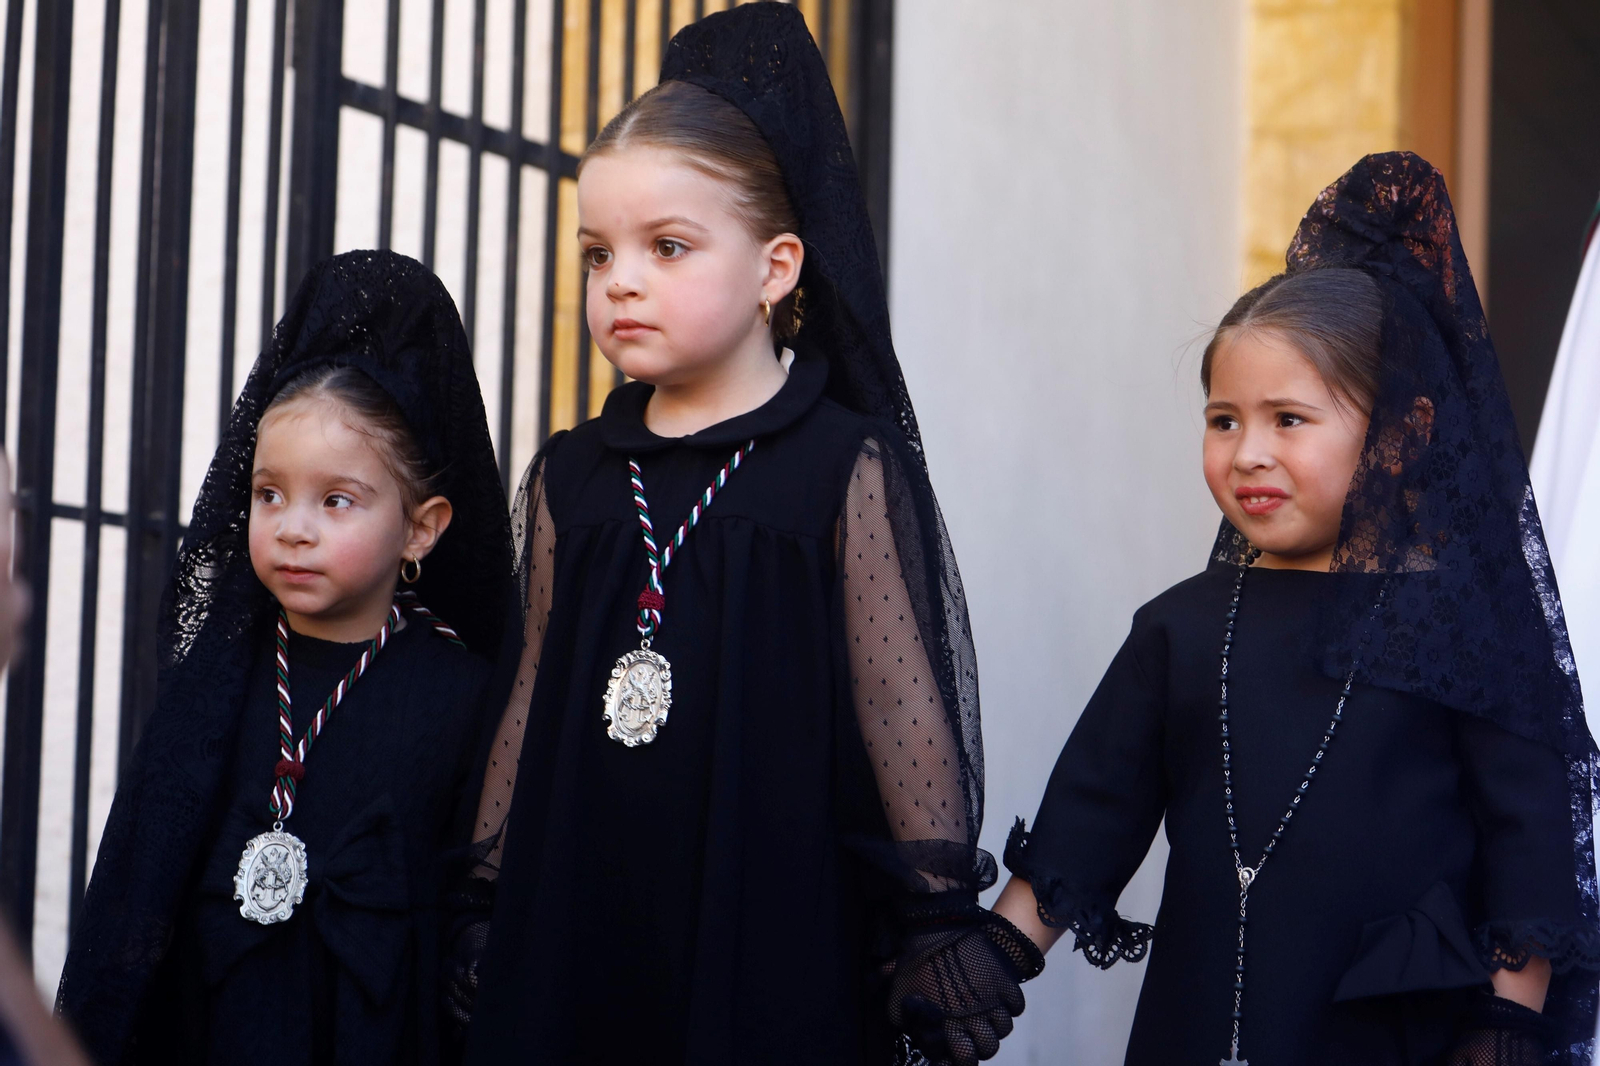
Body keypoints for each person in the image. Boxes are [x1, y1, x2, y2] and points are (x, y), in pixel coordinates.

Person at [445, 6, 1041, 1065]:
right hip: (580, 910)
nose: (621, 280)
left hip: (767, 916)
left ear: (776, 268)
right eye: (597, 254)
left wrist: (936, 914)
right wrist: (486, 891)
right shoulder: (573, 474)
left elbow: (898, 694)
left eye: (667, 247)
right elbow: (531, 686)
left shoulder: (841, 463)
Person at [995, 153, 1600, 1066]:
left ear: (1404, 434)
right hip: (1200, 1028)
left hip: (1394, 1037)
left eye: (1288, 419)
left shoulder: (1466, 632)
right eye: (1223, 420)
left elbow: (1531, 856)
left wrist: (1504, 1030)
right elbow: (1090, 816)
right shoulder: (1180, 628)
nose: (1247, 453)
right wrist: (983, 961)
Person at [57, 251, 513, 1065]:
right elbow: (141, 896)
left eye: (336, 500)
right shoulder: (219, 681)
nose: (293, 528)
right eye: (270, 493)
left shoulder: (465, 696)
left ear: (421, 528)